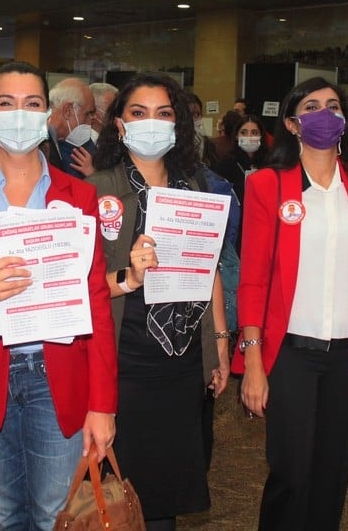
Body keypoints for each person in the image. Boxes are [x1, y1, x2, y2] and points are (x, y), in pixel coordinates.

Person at [0, 62, 117, 530]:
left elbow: (96, 302)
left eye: (32, 104)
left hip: (57, 373)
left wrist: (103, 404)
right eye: (6, 104)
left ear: (47, 114)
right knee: (5, 516)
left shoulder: (79, 196)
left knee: (52, 518)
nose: (19, 114)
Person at [233, 76, 348, 530]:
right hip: (290, 354)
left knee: (333, 474)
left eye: (333, 105)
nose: (325, 114)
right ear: (292, 123)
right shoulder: (269, 185)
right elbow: (251, 280)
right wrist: (252, 363)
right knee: (290, 472)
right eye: (312, 106)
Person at [87, 71, 231, 530]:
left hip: (182, 364)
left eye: (163, 114)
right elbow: (82, 287)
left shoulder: (197, 187)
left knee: (165, 498)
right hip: (123, 363)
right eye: (138, 113)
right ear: (119, 124)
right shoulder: (97, 190)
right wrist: (129, 275)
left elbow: (210, 272)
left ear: (178, 124)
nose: (152, 123)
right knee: (120, 497)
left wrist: (220, 344)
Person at [213, 114, 270, 206]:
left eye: (254, 132)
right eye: (243, 132)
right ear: (236, 136)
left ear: (261, 136)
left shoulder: (270, 163)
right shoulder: (225, 164)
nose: (249, 136)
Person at [46, 77, 97, 178]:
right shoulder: (39, 145)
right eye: (88, 114)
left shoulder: (80, 145)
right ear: (68, 111)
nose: (92, 119)